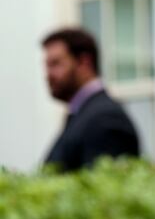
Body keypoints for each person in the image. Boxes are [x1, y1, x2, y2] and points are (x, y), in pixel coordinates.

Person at [42, 28, 140, 171]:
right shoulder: (84, 114)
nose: (48, 75)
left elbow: (103, 183)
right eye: (47, 66)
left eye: (56, 64)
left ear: (84, 62)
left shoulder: (105, 119)